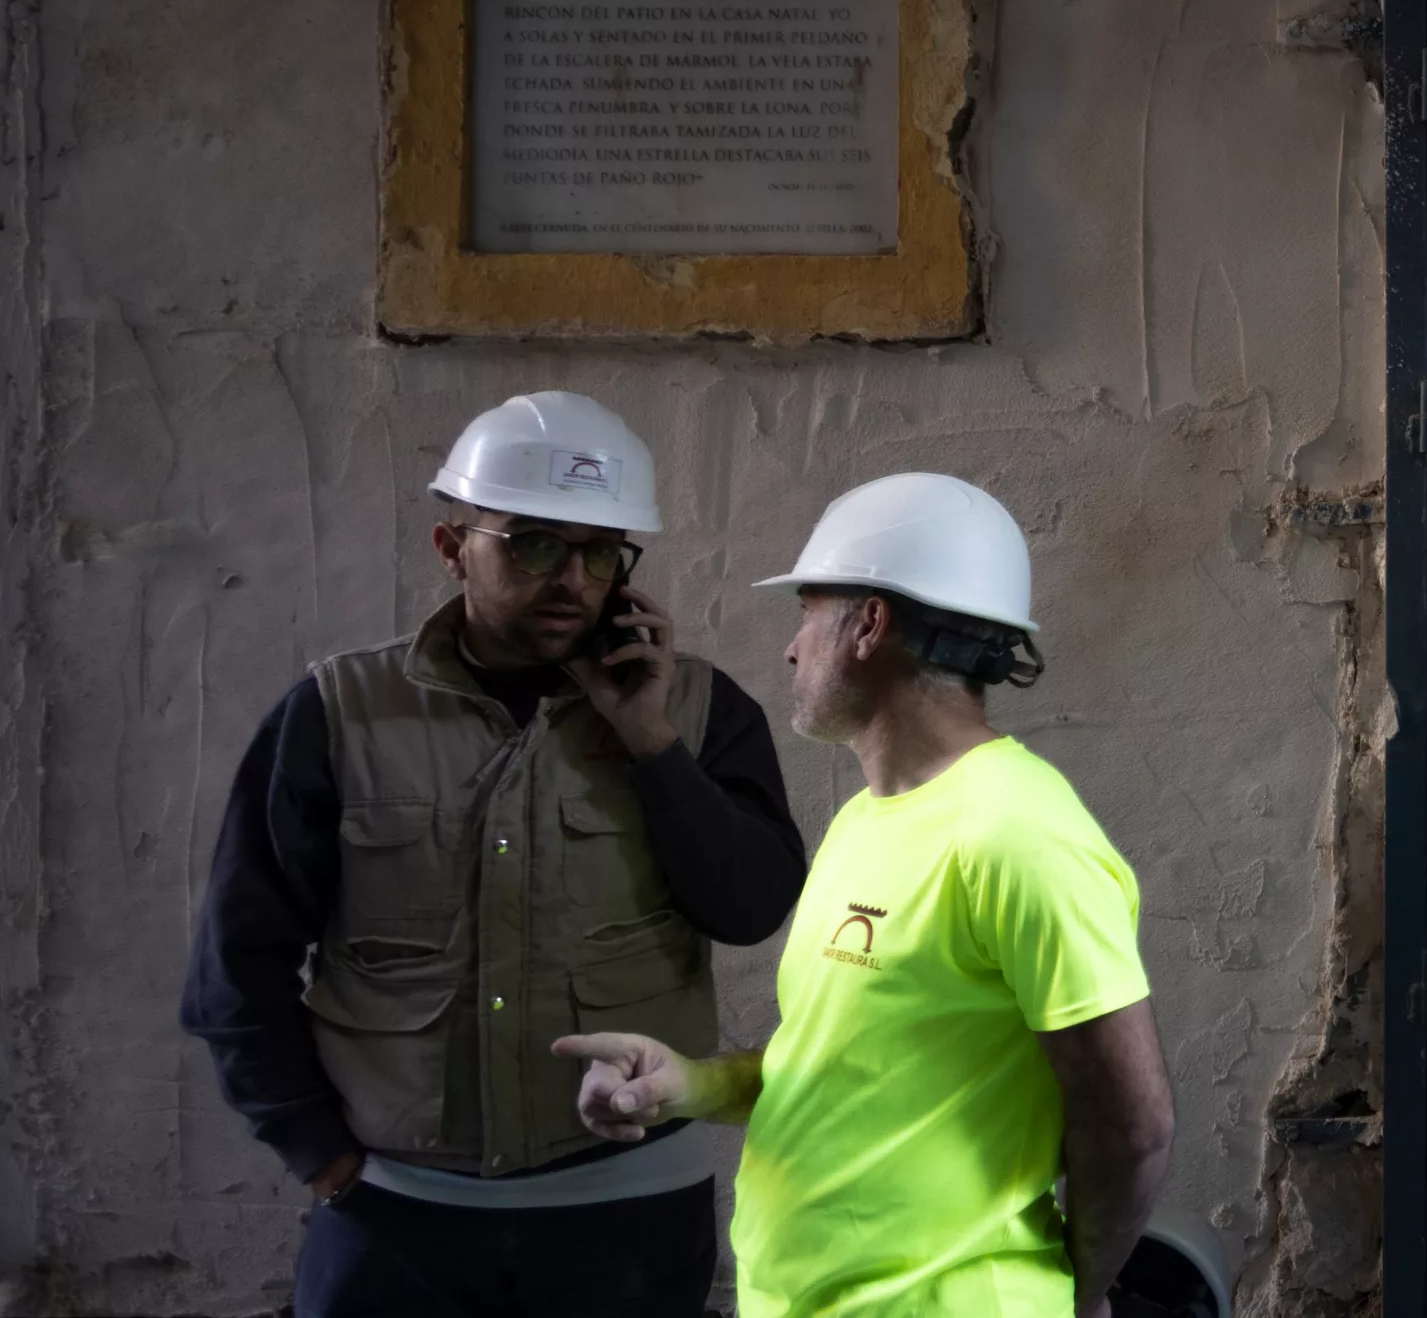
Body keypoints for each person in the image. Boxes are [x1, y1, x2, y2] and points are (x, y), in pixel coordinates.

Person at [180, 390, 807, 1316]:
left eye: (600, 553)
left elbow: (752, 908)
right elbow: (236, 967)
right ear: (453, 547)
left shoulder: (701, 713)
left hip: (627, 1215)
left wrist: (651, 743)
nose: (572, 580)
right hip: (396, 1217)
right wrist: (323, 1156)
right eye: (533, 542)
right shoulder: (338, 713)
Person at [557, 472, 1176, 1318]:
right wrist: (689, 1084)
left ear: (870, 624)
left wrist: (1081, 1293)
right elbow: (836, 1066)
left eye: (807, 611)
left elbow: (1133, 1124)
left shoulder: (1018, 830)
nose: (791, 647)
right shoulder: (862, 821)